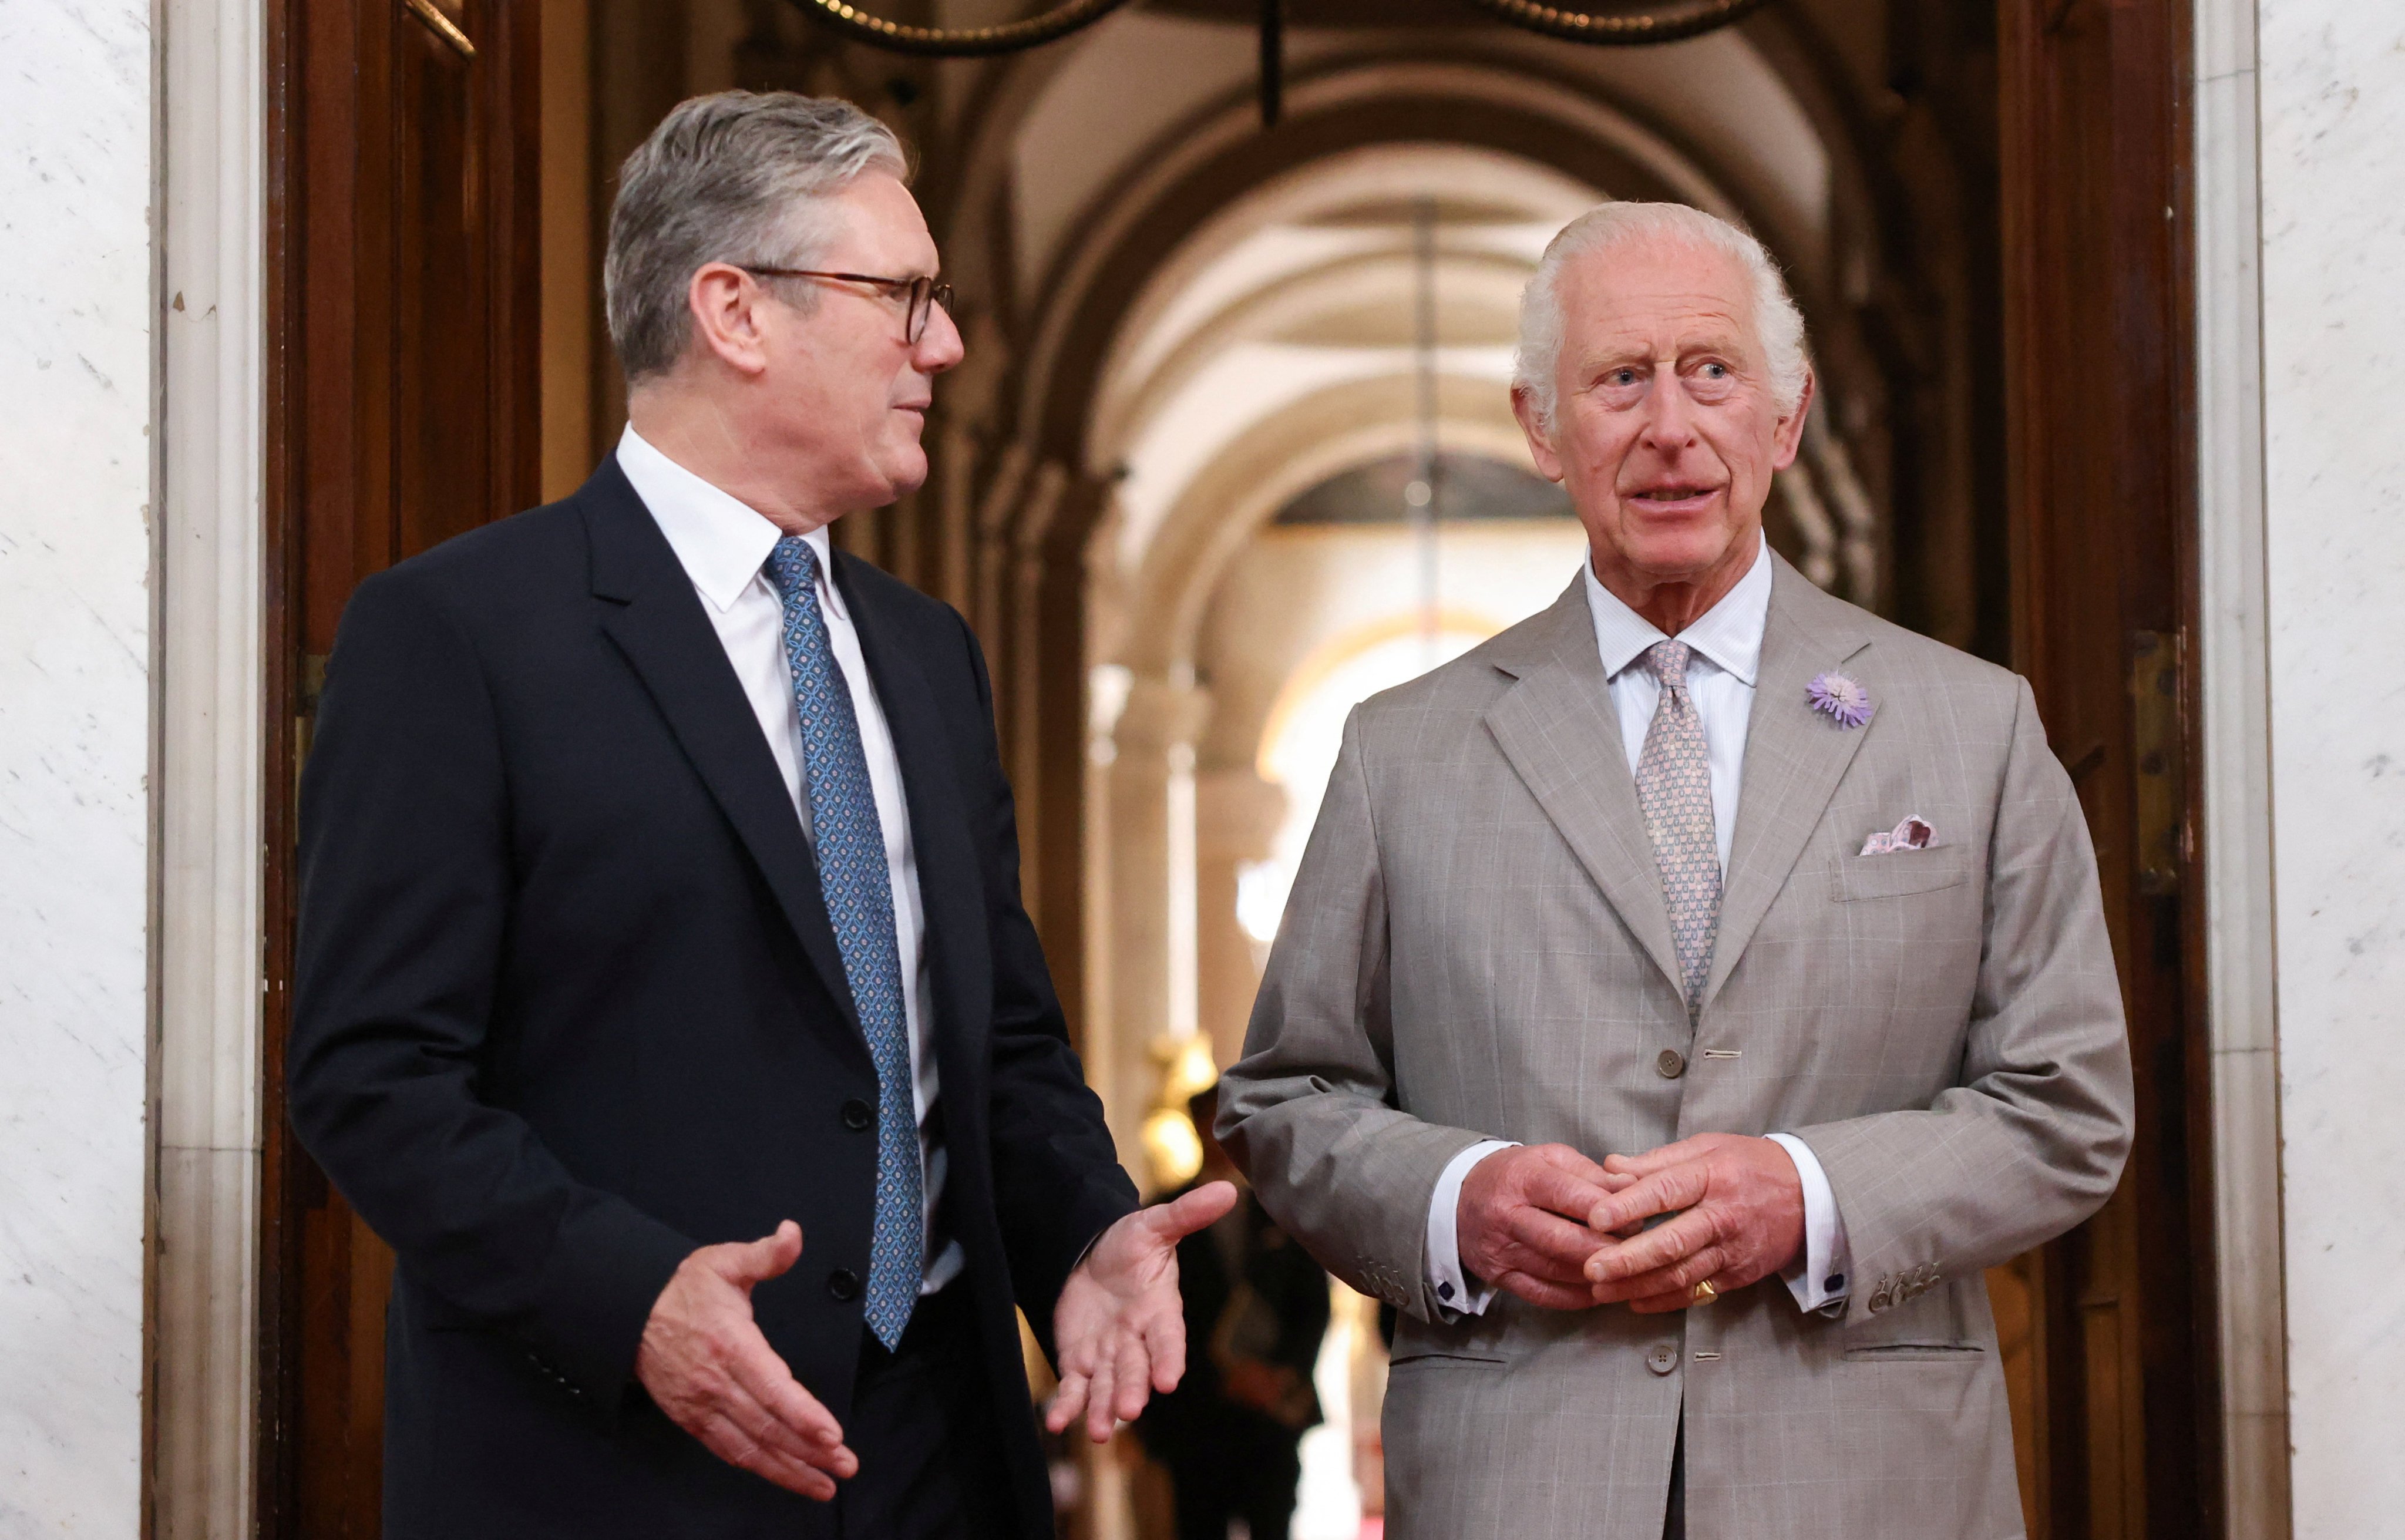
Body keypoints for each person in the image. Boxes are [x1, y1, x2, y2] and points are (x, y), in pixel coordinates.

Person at [287, 91, 1232, 1540]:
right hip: (616, 1465)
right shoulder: (457, 636)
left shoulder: (928, 653)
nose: (946, 345)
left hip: (939, 1460)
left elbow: (1001, 1051)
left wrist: (1087, 1233)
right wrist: (633, 1297)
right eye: (902, 296)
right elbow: (373, 1078)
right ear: (733, 311)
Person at [1216, 201, 2133, 1539]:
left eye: (1712, 370)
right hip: (1521, 1480)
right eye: (1618, 379)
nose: (1669, 426)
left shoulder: (1971, 726)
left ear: (1786, 416)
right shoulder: (1399, 751)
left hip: (1871, 1483)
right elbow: (1286, 1099)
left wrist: (1809, 1192)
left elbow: (2070, 1103)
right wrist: (1456, 1201)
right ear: (1541, 426)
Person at [1136, 1084, 1331, 1540]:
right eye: (1211, 1120)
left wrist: (1280, 1374)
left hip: (1270, 1417)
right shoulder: (1163, 1212)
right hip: (1196, 1418)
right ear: (1196, 1127)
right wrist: (1220, 1376)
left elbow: (1312, 1307)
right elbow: (1153, 1313)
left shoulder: (1282, 1208)